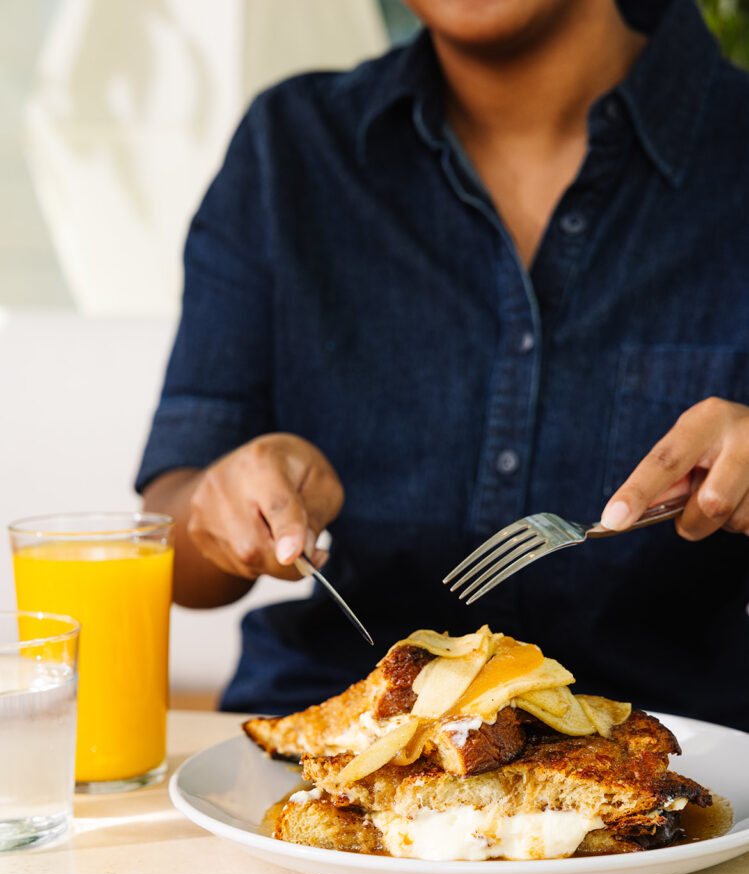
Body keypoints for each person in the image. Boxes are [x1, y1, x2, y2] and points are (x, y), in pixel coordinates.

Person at [137, 0, 749, 730]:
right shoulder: (292, 147)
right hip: (324, 753)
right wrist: (223, 495)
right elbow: (169, 540)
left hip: (688, 766)